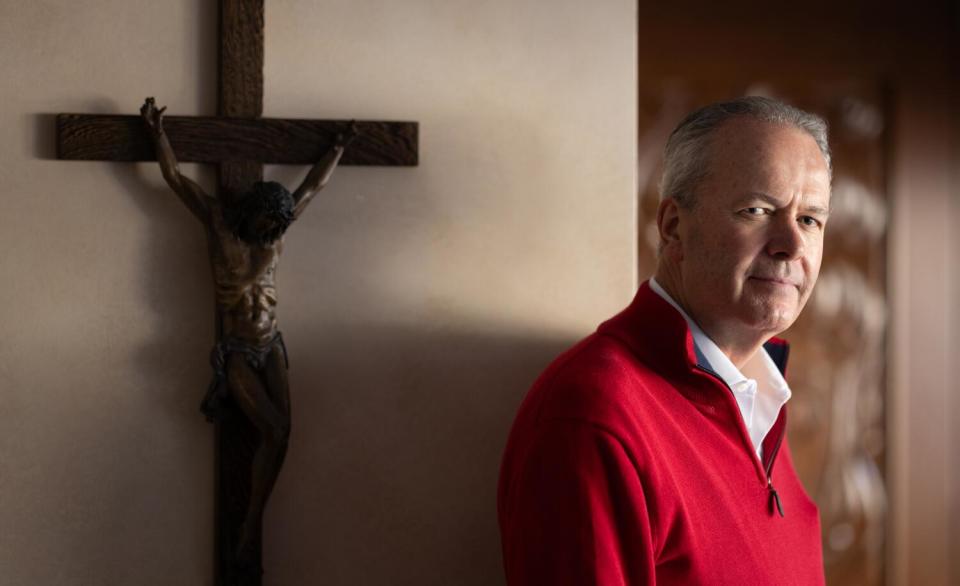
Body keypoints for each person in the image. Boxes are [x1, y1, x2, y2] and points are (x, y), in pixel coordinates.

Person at [497, 96, 832, 585]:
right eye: (758, 210)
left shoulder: (757, 391)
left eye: (809, 219)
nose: (792, 245)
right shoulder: (596, 414)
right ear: (673, 227)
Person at [139, 98, 357, 568]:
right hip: (238, 349)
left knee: (283, 433)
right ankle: (250, 525)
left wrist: (336, 149)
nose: (272, 231)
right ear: (252, 212)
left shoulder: (275, 236)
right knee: (274, 429)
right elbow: (176, 180)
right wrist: (158, 134)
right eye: (266, 222)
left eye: (277, 225)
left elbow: (310, 190)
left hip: (272, 343)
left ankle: (252, 518)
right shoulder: (219, 227)